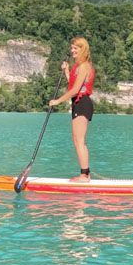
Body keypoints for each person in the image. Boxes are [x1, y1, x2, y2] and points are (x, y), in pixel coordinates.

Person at [48, 36, 95, 181]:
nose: (72, 50)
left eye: (75, 48)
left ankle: (84, 175)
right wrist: (67, 71)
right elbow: (73, 85)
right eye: (72, 47)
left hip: (83, 103)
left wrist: (57, 101)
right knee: (76, 139)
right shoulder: (78, 66)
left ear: (83, 49)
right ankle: (85, 173)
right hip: (77, 103)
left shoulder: (85, 66)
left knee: (79, 140)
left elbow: (75, 90)